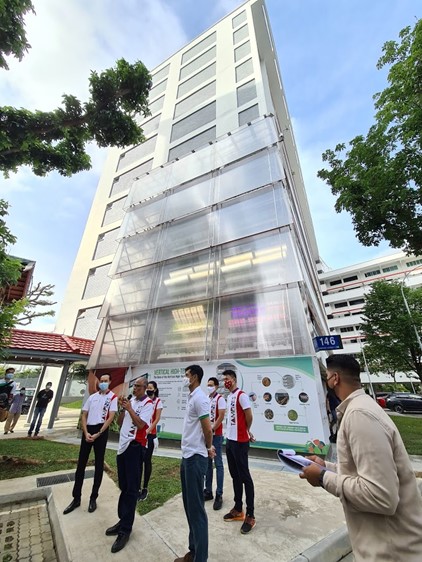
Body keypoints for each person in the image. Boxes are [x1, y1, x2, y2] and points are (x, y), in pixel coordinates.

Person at [300, 354, 422, 562]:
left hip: (392, 552)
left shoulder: (360, 415)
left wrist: (322, 477)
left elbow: (381, 496)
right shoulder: (359, 409)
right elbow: (360, 471)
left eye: (326, 377)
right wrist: (326, 466)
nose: (325, 383)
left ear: (335, 379)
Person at [105, 377, 153, 554]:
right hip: (122, 447)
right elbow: (119, 423)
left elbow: (141, 425)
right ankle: (122, 520)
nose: (136, 390)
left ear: (145, 388)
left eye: (139, 387)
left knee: (132, 489)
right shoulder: (130, 401)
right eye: (135, 387)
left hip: (135, 447)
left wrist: (131, 409)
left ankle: (126, 530)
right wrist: (123, 408)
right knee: (124, 486)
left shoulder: (148, 403)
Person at [175, 365, 215, 562]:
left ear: (195, 378)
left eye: (186, 375)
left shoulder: (200, 398)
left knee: (197, 511)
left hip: (195, 458)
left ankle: (201, 558)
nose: (184, 378)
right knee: (189, 507)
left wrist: (208, 448)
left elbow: (208, 429)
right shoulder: (193, 397)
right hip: (187, 456)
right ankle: (193, 551)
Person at [63, 373, 118, 515]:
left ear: (110, 382)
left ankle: (93, 497)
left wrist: (98, 433)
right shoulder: (92, 397)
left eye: (106, 381)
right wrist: (86, 432)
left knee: (99, 465)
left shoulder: (112, 397)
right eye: (102, 381)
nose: (103, 383)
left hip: (101, 432)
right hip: (88, 431)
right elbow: (84, 414)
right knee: (81, 465)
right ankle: (76, 498)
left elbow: (110, 417)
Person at [222, 369, 256, 534]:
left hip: (241, 442)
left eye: (227, 379)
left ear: (234, 380)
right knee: (235, 476)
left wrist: (246, 431)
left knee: (245, 477)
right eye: (224, 380)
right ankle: (238, 508)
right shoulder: (229, 397)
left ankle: (250, 514)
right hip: (230, 441)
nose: (225, 382)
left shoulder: (241, 395)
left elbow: (249, 415)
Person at [138, 380, 163, 501]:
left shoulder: (157, 402)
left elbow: (156, 419)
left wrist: (148, 431)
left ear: (155, 389)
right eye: (147, 388)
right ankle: (137, 487)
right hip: (140, 435)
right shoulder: (143, 400)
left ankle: (145, 488)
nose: (148, 389)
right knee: (138, 461)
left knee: (147, 461)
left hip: (150, 436)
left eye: (151, 388)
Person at [204, 376, 226, 510]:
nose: (209, 387)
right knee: (207, 464)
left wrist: (212, 428)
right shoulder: (207, 399)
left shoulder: (220, 399)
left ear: (217, 386)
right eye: (208, 384)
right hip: (207, 436)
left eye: (211, 385)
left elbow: (221, 416)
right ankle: (208, 491)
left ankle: (219, 494)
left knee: (218, 464)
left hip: (216, 436)